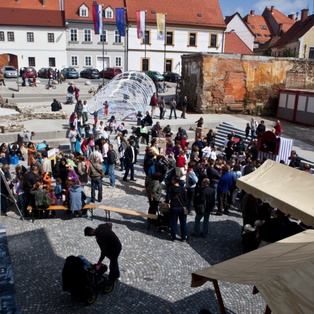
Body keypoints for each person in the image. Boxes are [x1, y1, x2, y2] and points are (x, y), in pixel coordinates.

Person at [166, 176, 188, 242]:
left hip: (174, 207)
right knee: (183, 223)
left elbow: (167, 199)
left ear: (174, 180)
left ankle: (173, 236)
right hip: (182, 208)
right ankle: (184, 237)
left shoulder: (170, 189)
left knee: (174, 222)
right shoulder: (183, 189)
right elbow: (186, 200)